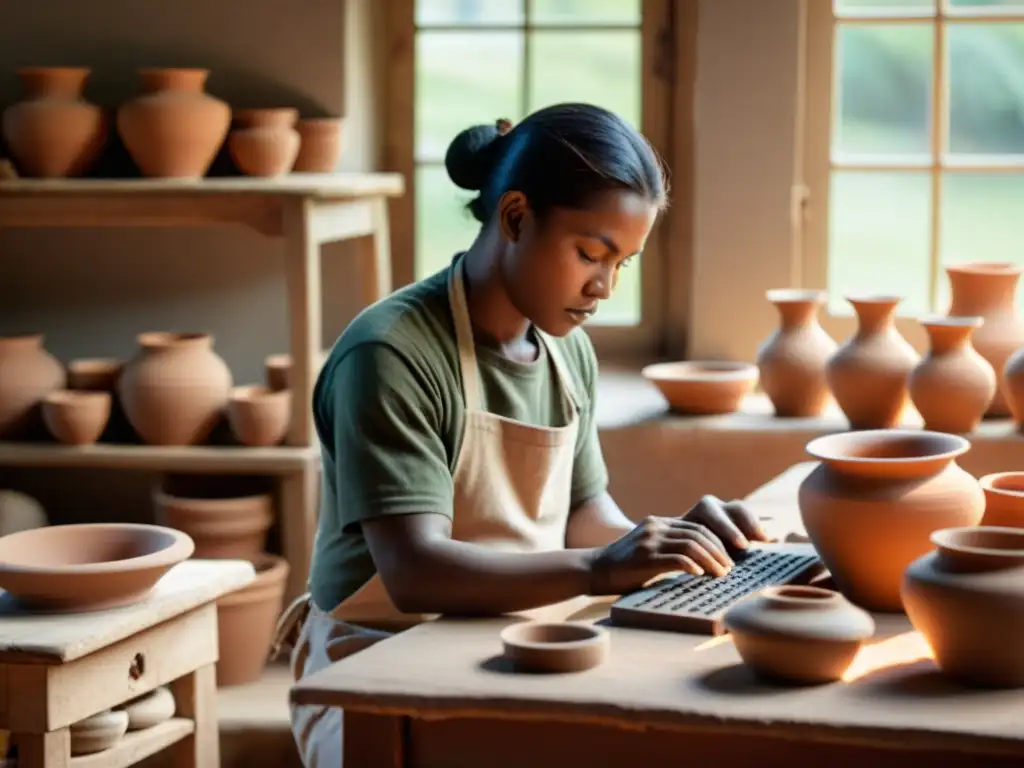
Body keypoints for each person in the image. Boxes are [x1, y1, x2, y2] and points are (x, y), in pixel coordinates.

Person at [274, 102, 771, 766]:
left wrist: (667, 543)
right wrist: (603, 568)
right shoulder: (391, 353)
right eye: (591, 253)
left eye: (622, 263)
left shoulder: (568, 353)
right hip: (373, 665)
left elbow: (583, 518)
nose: (604, 288)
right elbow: (416, 572)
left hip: (512, 643)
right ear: (514, 217)